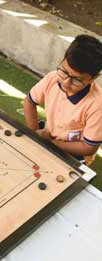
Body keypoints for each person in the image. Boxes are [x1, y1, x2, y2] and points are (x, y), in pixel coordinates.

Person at [24, 34, 102, 165]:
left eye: (77, 79)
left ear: (93, 78)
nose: (66, 83)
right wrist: (34, 133)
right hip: (49, 134)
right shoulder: (52, 78)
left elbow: (89, 147)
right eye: (64, 71)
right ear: (63, 60)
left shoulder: (97, 105)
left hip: (75, 152)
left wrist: (51, 143)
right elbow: (29, 101)